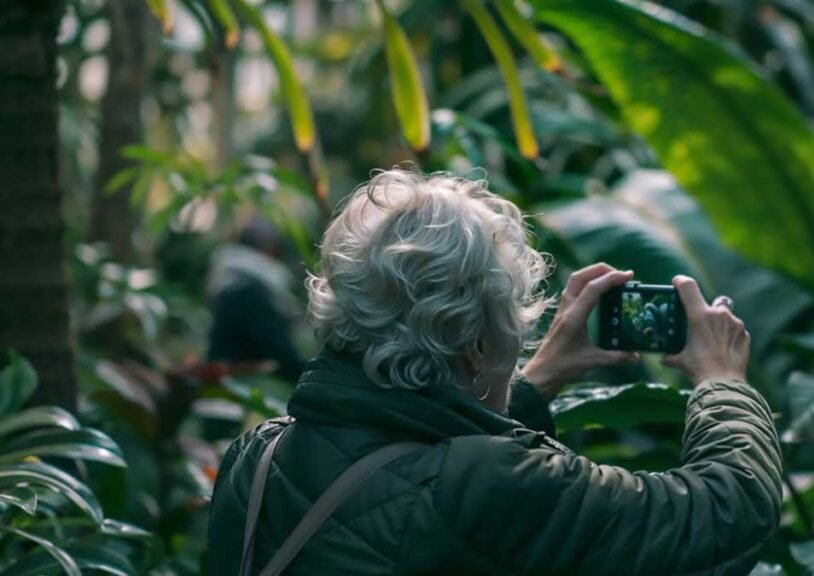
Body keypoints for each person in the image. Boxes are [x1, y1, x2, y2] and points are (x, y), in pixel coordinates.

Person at [207, 169, 782, 575]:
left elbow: (406, 461)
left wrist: (535, 380)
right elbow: (723, 513)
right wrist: (722, 379)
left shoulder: (255, 459)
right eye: (515, 326)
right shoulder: (492, 484)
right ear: (478, 346)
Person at [206, 217, 306, 381]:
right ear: (269, 248)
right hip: (240, 388)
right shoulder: (249, 292)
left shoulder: (234, 282)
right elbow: (282, 355)